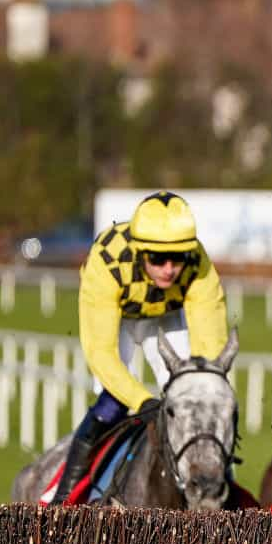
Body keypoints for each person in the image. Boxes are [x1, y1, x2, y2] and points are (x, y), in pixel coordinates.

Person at [53, 191, 227, 504]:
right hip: (116, 318)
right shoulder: (106, 263)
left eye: (179, 258)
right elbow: (102, 354)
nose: (170, 269)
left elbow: (209, 345)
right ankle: (63, 500)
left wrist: (201, 384)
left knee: (200, 400)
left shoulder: (198, 262)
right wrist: (142, 400)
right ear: (139, 251)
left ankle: (224, 493)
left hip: (166, 315)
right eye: (158, 259)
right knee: (113, 405)